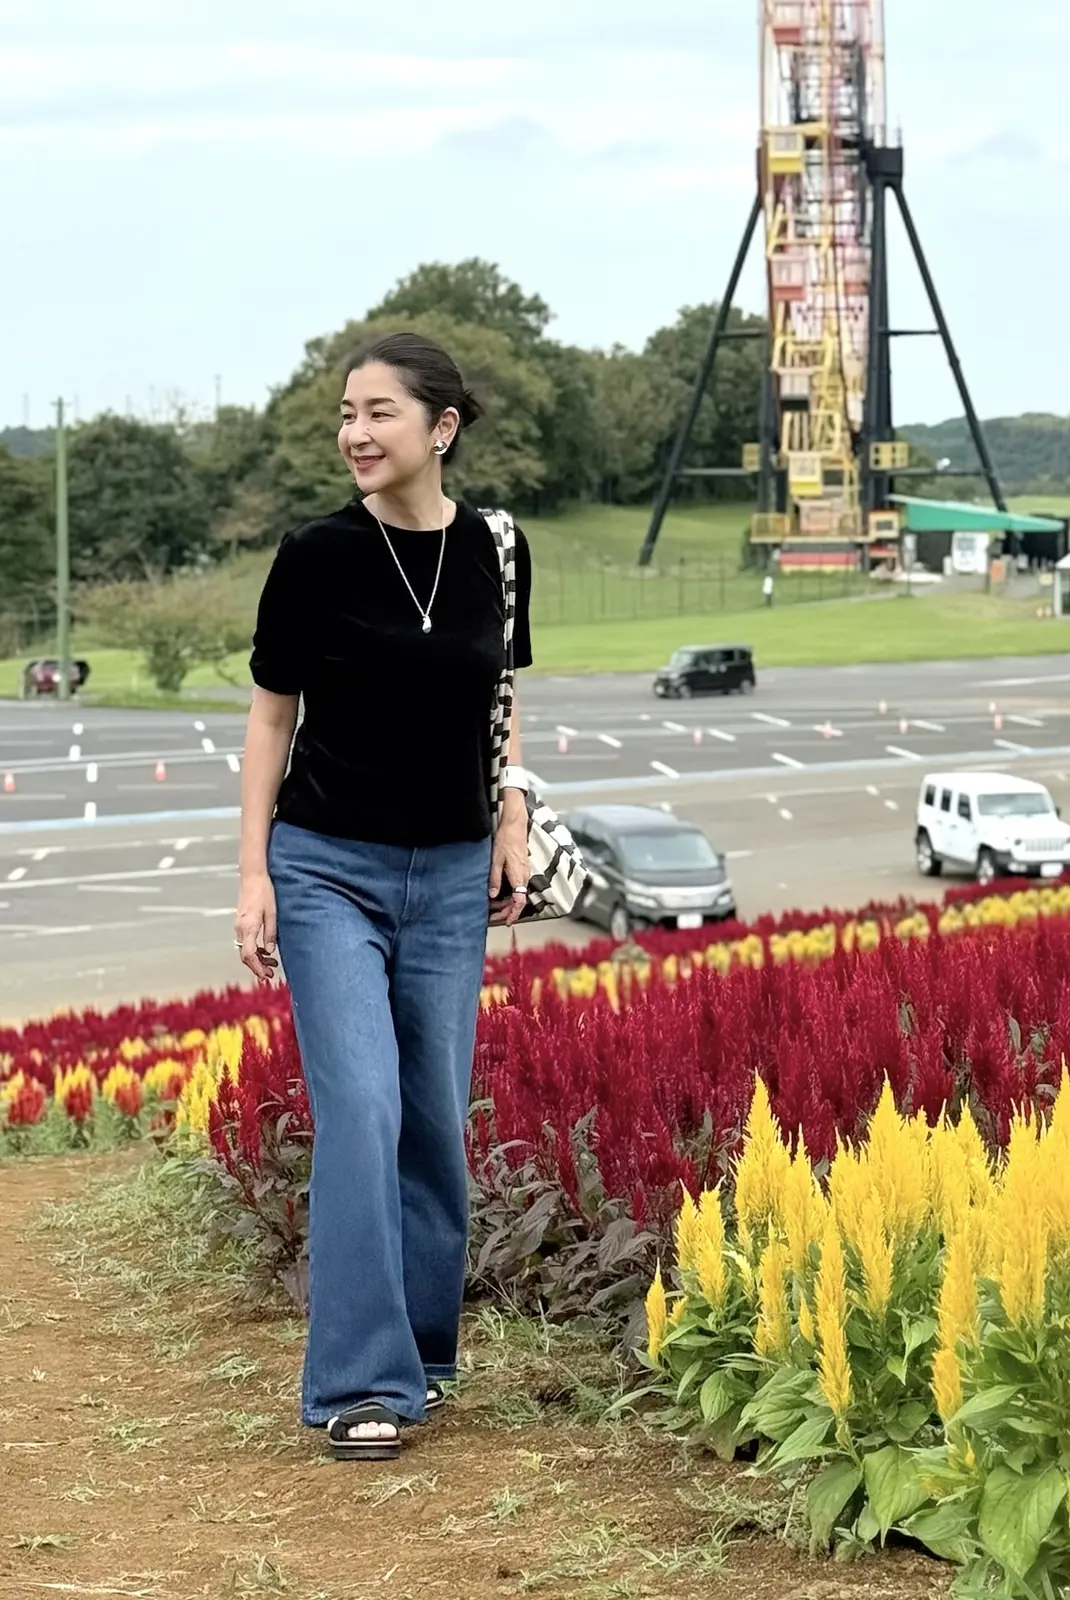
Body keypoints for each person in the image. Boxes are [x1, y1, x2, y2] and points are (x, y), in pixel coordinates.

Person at [235, 331, 533, 1461]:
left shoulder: (499, 549)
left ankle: (421, 1350)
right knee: (360, 1105)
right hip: (326, 867)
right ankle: (360, 1381)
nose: (355, 433)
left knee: (433, 1122)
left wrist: (508, 815)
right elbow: (271, 717)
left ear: (440, 427)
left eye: (379, 413)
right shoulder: (315, 555)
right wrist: (253, 868)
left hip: (454, 874)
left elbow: (501, 694)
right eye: (345, 415)